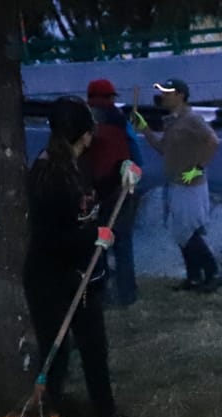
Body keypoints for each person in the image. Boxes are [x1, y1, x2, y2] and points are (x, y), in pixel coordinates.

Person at [24, 96, 130, 417]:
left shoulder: (74, 165)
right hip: (50, 280)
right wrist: (91, 237)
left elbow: (90, 200)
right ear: (83, 134)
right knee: (57, 355)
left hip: (82, 278)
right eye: (89, 133)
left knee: (95, 349)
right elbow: (51, 236)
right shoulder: (46, 174)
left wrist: (120, 177)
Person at [139, 77, 222, 293]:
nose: (163, 96)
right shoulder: (173, 121)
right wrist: (144, 129)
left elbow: (213, 141)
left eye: (168, 92)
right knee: (181, 232)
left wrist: (198, 168)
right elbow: (162, 148)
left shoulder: (192, 119)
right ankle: (194, 277)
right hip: (175, 182)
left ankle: (213, 273)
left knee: (188, 232)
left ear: (180, 95)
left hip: (190, 185)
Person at [85, 78, 143, 307]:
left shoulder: (81, 118)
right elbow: (134, 152)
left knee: (96, 243)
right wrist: (136, 170)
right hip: (120, 188)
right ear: (109, 97)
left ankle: (100, 292)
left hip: (92, 191)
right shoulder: (118, 120)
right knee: (122, 243)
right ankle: (127, 294)